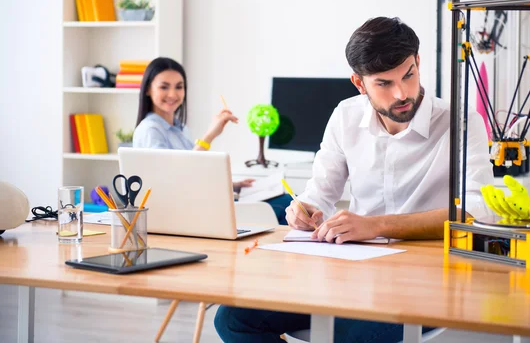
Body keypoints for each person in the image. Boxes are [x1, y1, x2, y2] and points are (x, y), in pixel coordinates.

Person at [214, 17, 494, 342]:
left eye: (408, 75)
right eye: (383, 84)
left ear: (418, 63)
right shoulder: (345, 116)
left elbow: (477, 211)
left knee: (355, 333)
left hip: (427, 281)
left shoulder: (461, 121)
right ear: (359, 84)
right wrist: (303, 210)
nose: (402, 93)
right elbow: (318, 194)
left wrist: (377, 225)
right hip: (352, 273)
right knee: (233, 318)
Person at [133, 57, 291, 223]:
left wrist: (232, 185)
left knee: (286, 200)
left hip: (200, 202)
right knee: (287, 205)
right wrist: (209, 135)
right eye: (164, 87)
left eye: (179, 87)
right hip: (186, 212)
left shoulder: (180, 129)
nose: (173, 94)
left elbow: (193, 176)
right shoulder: (150, 130)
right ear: (148, 90)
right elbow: (175, 179)